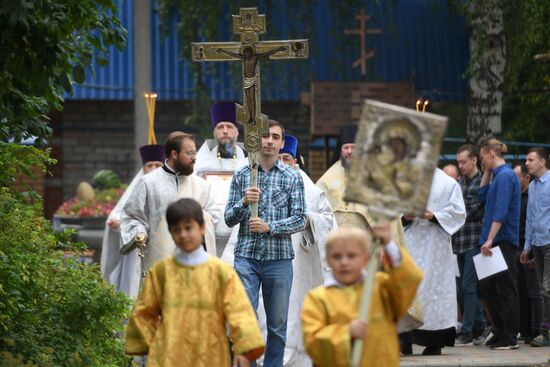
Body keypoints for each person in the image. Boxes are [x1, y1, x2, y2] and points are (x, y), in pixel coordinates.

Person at [125, 198, 265, 367]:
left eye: (188, 228)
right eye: (176, 230)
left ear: (202, 228)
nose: (183, 235)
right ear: (171, 233)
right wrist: (145, 345)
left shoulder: (221, 272)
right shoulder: (161, 272)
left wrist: (245, 350)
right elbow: (144, 313)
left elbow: (240, 313)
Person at [225, 120, 306, 367]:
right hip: (246, 257)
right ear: (255, 141)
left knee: (277, 324)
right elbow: (229, 218)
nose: (269, 141)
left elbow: (301, 218)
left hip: (279, 259)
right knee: (244, 320)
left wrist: (271, 227)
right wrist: (244, 203)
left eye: (275, 137)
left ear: (282, 142)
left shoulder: (293, 177)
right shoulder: (242, 175)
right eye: (264, 136)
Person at [300, 223, 423, 367]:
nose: (344, 262)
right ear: (327, 259)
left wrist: (389, 244)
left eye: (352, 256)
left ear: (366, 259)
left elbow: (408, 280)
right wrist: (346, 333)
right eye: (336, 256)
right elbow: (312, 342)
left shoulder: (380, 288)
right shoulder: (317, 298)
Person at [120, 132, 218, 290]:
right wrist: (139, 232)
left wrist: (197, 218)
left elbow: (213, 215)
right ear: (174, 154)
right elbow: (131, 216)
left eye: (195, 152)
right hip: (159, 261)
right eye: (189, 153)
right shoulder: (148, 183)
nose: (194, 158)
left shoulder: (202, 186)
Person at [400, 167, 466, 355]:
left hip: (435, 246)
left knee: (433, 290)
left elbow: (458, 212)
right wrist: (406, 216)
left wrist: (433, 216)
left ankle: (434, 343)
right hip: (410, 242)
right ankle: (405, 340)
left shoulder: (448, 183)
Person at [100, 144, 164, 297]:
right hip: (138, 250)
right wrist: (117, 225)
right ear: (143, 168)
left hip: (163, 246)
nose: (154, 168)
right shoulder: (137, 186)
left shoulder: (171, 186)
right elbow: (118, 215)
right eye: (150, 165)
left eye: (158, 165)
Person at [477, 138, 520, 350]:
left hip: (501, 239)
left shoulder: (505, 176)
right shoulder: (496, 176)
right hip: (492, 240)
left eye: (483, 157)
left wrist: (490, 238)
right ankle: (500, 329)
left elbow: (500, 211)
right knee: (486, 287)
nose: (481, 161)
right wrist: (486, 170)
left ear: (491, 154)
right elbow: (481, 195)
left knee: (506, 288)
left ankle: (510, 335)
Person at [194, 102, 248, 255]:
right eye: (220, 127)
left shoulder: (249, 164)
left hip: (241, 235)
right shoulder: (199, 165)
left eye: (229, 127)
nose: (225, 131)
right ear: (214, 132)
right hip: (209, 234)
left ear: (237, 132)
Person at [452, 145, 487, 346]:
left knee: (468, 286)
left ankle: (467, 332)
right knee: (462, 288)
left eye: (464, 161)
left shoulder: (480, 183)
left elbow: (470, 211)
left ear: (474, 160)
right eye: (458, 162)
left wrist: (455, 214)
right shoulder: (459, 183)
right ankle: (480, 327)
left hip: (474, 241)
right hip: (459, 241)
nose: (460, 165)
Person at [520, 147, 550, 347]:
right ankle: (544, 330)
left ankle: (545, 332)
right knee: (541, 289)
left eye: (530, 160)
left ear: (542, 162)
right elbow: (530, 218)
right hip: (537, 243)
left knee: (546, 289)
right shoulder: (531, 186)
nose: (526, 163)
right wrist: (527, 246)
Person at [316, 125, 371, 229]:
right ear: (341, 150)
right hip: (337, 237)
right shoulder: (328, 178)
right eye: (346, 148)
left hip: (365, 238)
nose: (349, 151)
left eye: (353, 147)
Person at [514, 163, 544, 345]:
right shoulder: (516, 197)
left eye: (517, 176)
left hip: (532, 247)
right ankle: (524, 329)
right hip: (519, 247)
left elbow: (533, 223)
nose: (513, 180)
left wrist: (531, 250)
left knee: (535, 291)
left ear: (526, 177)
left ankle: (537, 329)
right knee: (521, 291)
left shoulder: (531, 195)